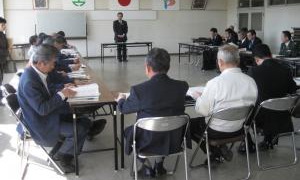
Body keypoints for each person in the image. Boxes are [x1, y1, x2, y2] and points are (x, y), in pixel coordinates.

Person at [17, 44, 105, 173]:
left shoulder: (36, 72)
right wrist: (62, 94)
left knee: (83, 120)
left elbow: (47, 90)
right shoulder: (30, 81)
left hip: (47, 115)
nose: (54, 66)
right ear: (41, 63)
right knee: (79, 129)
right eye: (52, 63)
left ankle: (69, 145)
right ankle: (63, 156)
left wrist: (63, 87)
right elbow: (42, 109)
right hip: (41, 123)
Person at [117, 48, 189, 178]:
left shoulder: (139, 91)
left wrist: (121, 99)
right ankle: (159, 164)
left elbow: (124, 109)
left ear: (148, 67)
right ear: (168, 67)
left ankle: (146, 165)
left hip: (147, 142)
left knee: (128, 132)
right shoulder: (182, 86)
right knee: (165, 127)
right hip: (174, 140)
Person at [190, 45, 257, 166]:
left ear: (220, 62)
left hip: (216, 130)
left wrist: (198, 98)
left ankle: (214, 151)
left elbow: (203, 111)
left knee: (190, 125)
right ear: (238, 61)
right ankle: (218, 149)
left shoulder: (215, 83)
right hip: (239, 128)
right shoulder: (250, 81)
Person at [248, 44, 297, 150]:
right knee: (271, 101)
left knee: (245, 109)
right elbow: (292, 89)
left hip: (261, 118)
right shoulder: (285, 69)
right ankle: (268, 139)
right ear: (270, 55)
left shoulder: (254, 71)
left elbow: (247, 93)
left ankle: (248, 144)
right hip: (283, 117)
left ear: (256, 59)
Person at [0, 17, 8, 104]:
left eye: (4, 25)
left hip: (1, 61)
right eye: (2, 25)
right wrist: (7, 51)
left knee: (1, 79)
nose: (4, 26)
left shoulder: (2, 34)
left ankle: (1, 96)